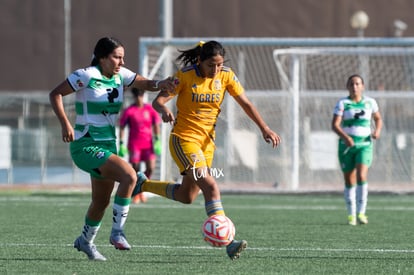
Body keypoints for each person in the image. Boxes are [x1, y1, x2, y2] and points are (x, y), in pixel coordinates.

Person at [131, 40, 281, 260]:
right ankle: (229, 242)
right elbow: (158, 101)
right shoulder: (183, 76)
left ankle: (142, 184)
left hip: (206, 144)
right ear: (200, 61)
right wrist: (163, 109)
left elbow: (245, 103)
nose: (216, 70)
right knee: (211, 186)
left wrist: (264, 128)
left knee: (187, 196)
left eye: (219, 65)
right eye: (212, 65)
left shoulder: (226, 76)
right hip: (184, 140)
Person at [49, 37, 174, 261]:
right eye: (117, 57)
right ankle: (117, 232)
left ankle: (85, 242)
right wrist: (66, 123)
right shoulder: (86, 75)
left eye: (122, 57)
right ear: (103, 57)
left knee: (101, 201)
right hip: (86, 144)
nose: (121, 61)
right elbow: (55, 94)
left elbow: (145, 84)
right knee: (129, 175)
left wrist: (161, 83)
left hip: (108, 145)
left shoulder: (121, 75)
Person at [331, 74, 383, 226]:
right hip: (347, 147)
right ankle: (351, 215)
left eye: (358, 84)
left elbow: (378, 118)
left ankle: (361, 212)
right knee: (349, 179)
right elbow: (335, 125)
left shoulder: (370, 102)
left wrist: (377, 131)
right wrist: (346, 137)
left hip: (364, 145)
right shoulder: (343, 103)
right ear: (348, 86)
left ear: (363, 86)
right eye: (352, 84)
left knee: (361, 175)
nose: (355, 87)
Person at [119, 88, 162, 204]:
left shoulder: (149, 109)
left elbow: (156, 124)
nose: (139, 98)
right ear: (134, 97)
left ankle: (141, 188)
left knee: (151, 167)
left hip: (148, 144)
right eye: (137, 95)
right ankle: (138, 194)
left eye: (141, 95)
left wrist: (157, 139)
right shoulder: (130, 111)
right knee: (136, 169)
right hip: (134, 145)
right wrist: (121, 143)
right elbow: (122, 127)